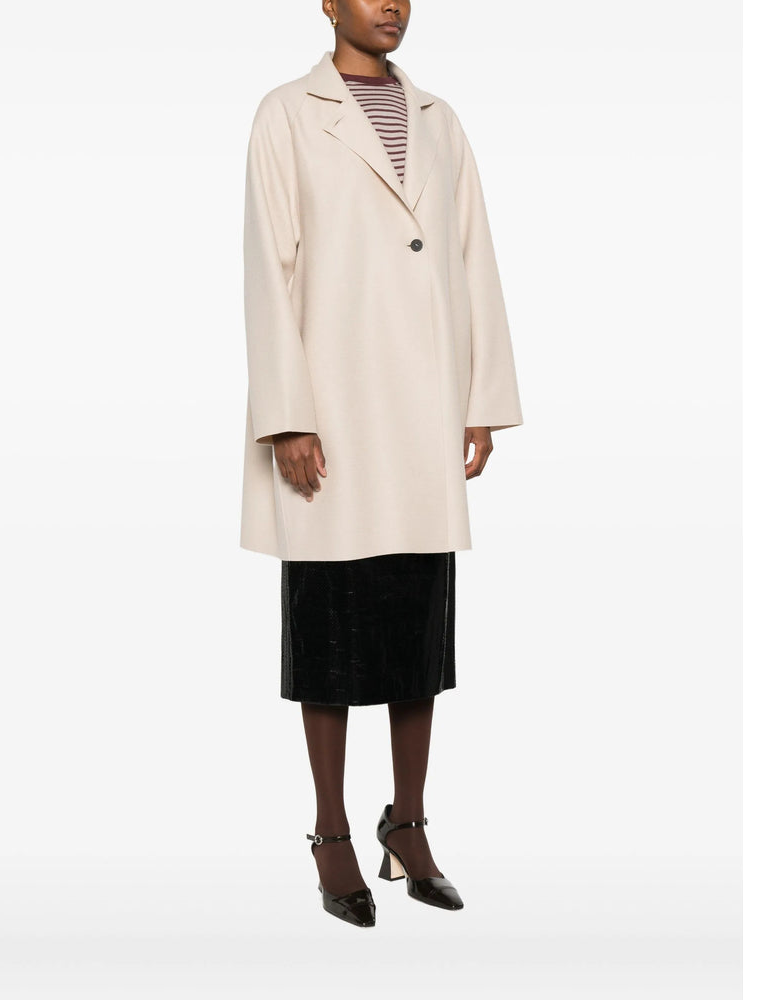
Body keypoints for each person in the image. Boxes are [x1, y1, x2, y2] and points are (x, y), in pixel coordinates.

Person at [239, 1, 523, 928]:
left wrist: (482, 399)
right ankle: (331, 831)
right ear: (328, 2)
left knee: (416, 624)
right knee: (327, 625)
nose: (391, 4)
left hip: (425, 410)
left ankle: (407, 822)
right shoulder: (287, 113)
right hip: (334, 410)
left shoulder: (441, 119)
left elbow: (474, 256)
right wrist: (288, 414)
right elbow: (268, 267)